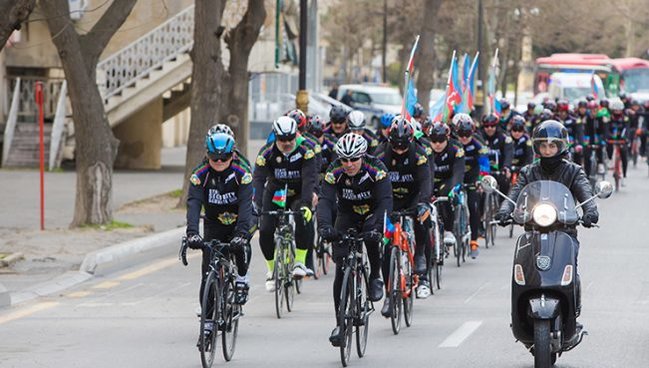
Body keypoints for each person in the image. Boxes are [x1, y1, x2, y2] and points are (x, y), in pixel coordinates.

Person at [495, 119, 599, 321]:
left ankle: (571, 311)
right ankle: (519, 315)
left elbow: (585, 192)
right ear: (537, 147)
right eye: (543, 145)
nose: (548, 150)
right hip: (533, 230)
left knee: (569, 268)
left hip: (564, 230)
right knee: (523, 271)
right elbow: (515, 193)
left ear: (561, 146)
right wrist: (504, 211)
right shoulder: (528, 171)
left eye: (552, 145)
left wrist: (590, 211)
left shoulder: (573, 171)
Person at [318, 133, 392, 346]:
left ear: (362, 156)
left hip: (372, 213)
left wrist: (378, 228)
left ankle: (375, 275)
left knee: (370, 236)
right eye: (344, 160)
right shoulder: (334, 171)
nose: (349, 164)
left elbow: (386, 202)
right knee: (341, 268)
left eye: (353, 159)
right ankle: (340, 324)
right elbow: (325, 201)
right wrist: (324, 226)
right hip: (347, 215)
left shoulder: (376, 170)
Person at [186, 132, 255, 340]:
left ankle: (242, 276)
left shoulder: (242, 174)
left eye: (224, 158)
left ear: (232, 155)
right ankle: (207, 323)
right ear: (207, 155)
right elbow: (194, 204)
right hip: (214, 222)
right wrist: (192, 234)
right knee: (207, 274)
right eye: (214, 158)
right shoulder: (200, 175)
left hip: (240, 220)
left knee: (239, 246)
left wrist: (241, 234)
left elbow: (245, 206)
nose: (218, 162)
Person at [253, 116, 318, 290]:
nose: (287, 143)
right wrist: (256, 205)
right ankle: (271, 270)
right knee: (265, 229)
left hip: (298, 193)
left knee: (303, 216)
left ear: (296, 134)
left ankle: (299, 262)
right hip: (276, 193)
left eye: (290, 138)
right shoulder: (266, 152)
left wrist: (306, 203)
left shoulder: (306, 150)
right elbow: (258, 180)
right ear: (275, 136)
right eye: (282, 139)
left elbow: (309, 179)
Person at [375, 116, 432, 300]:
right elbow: (374, 183)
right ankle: (389, 293)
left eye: (403, 147)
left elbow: (426, 181)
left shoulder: (420, 154)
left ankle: (422, 256)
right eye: (396, 146)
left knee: (424, 217)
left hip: (413, 197)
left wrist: (424, 202)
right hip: (390, 199)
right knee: (385, 246)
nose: (399, 151)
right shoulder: (381, 154)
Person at [453, 113, 490, 258]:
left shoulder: (477, 144)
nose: (463, 138)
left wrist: (481, 179)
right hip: (457, 176)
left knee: (474, 207)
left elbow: (484, 164)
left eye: (467, 135)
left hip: (473, 177)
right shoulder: (454, 144)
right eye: (461, 134)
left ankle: (474, 240)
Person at [430, 121, 465, 248]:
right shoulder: (426, 150)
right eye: (434, 141)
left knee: (445, 196)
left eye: (441, 140)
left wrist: (455, 187)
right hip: (431, 180)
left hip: (448, 180)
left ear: (447, 138)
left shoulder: (456, 149)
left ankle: (448, 231)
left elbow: (459, 171)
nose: (437, 144)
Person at [479, 113, 513, 197]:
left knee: (505, 182)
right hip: (484, 170)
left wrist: (506, 167)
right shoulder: (479, 137)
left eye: (492, 126)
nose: (489, 128)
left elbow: (508, 153)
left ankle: (503, 206)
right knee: (479, 192)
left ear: (496, 126)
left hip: (500, 169)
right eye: (487, 126)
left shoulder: (504, 137)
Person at [605, 99, 631, 180]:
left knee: (624, 152)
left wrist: (626, 138)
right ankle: (609, 159)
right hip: (611, 138)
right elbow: (606, 129)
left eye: (619, 110)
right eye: (615, 110)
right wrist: (608, 137)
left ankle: (624, 172)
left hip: (622, 139)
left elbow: (627, 129)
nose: (617, 112)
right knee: (608, 147)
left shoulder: (625, 118)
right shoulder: (609, 118)